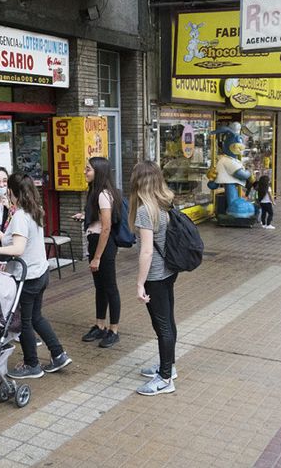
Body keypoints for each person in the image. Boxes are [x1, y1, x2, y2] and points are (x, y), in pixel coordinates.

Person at [0, 173, 71, 379]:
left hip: (27, 278)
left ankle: (32, 364)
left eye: (7, 187)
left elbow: (18, 248)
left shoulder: (20, 216)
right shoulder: (35, 210)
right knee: (36, 317)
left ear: (12, 191)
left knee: (25, 322)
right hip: (40, 272)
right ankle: (58, 354)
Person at [129, 161, 178, 396]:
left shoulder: (144, 210)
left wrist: (140, 283)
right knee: (168, 320)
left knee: (162, 326)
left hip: (156, 275)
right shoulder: (164, 202)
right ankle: (170, 366)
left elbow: (146, 251)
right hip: (169, 270)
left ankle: (165, 379)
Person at [74, 157, 123, 348]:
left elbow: (106, 227)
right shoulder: (96, 192)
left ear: (99, 172)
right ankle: (99, 325)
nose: (85, 172)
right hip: (96, 242)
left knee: (110, 287)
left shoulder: (103, 194)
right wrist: (85, 216)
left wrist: (96, 257)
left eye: (88, 170)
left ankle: (113, 330)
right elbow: (100, 220)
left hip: (104, 246)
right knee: (100, 287)